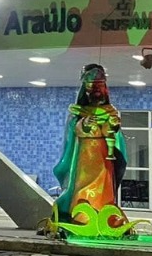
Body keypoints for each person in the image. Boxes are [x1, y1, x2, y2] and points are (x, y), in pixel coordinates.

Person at [52, 63, 126, 226]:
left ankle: (104, 215)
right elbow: (73, 129)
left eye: (100, 86)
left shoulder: (110, 110)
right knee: (83, 183)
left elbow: (113, 133)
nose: (97, 90)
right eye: (93, 86)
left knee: (104, 184)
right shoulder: (77, 111)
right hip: (84, 154)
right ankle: (82, 216)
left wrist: (113, 125)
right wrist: (84, 124)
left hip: (104, 155)